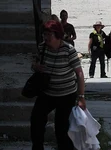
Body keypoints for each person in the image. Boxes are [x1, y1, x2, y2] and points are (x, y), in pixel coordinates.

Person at [30, 20, 86, 150]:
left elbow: (80, 74)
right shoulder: (42, 47)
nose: (46, 37)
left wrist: (81, 96)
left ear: (57, 35)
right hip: (47, 92)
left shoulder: (69, 50)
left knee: (62, 129)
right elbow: (34, 63)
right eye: (45, 34)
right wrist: (35, 67)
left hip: (66, 95)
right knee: (36, 120)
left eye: (49, 34)